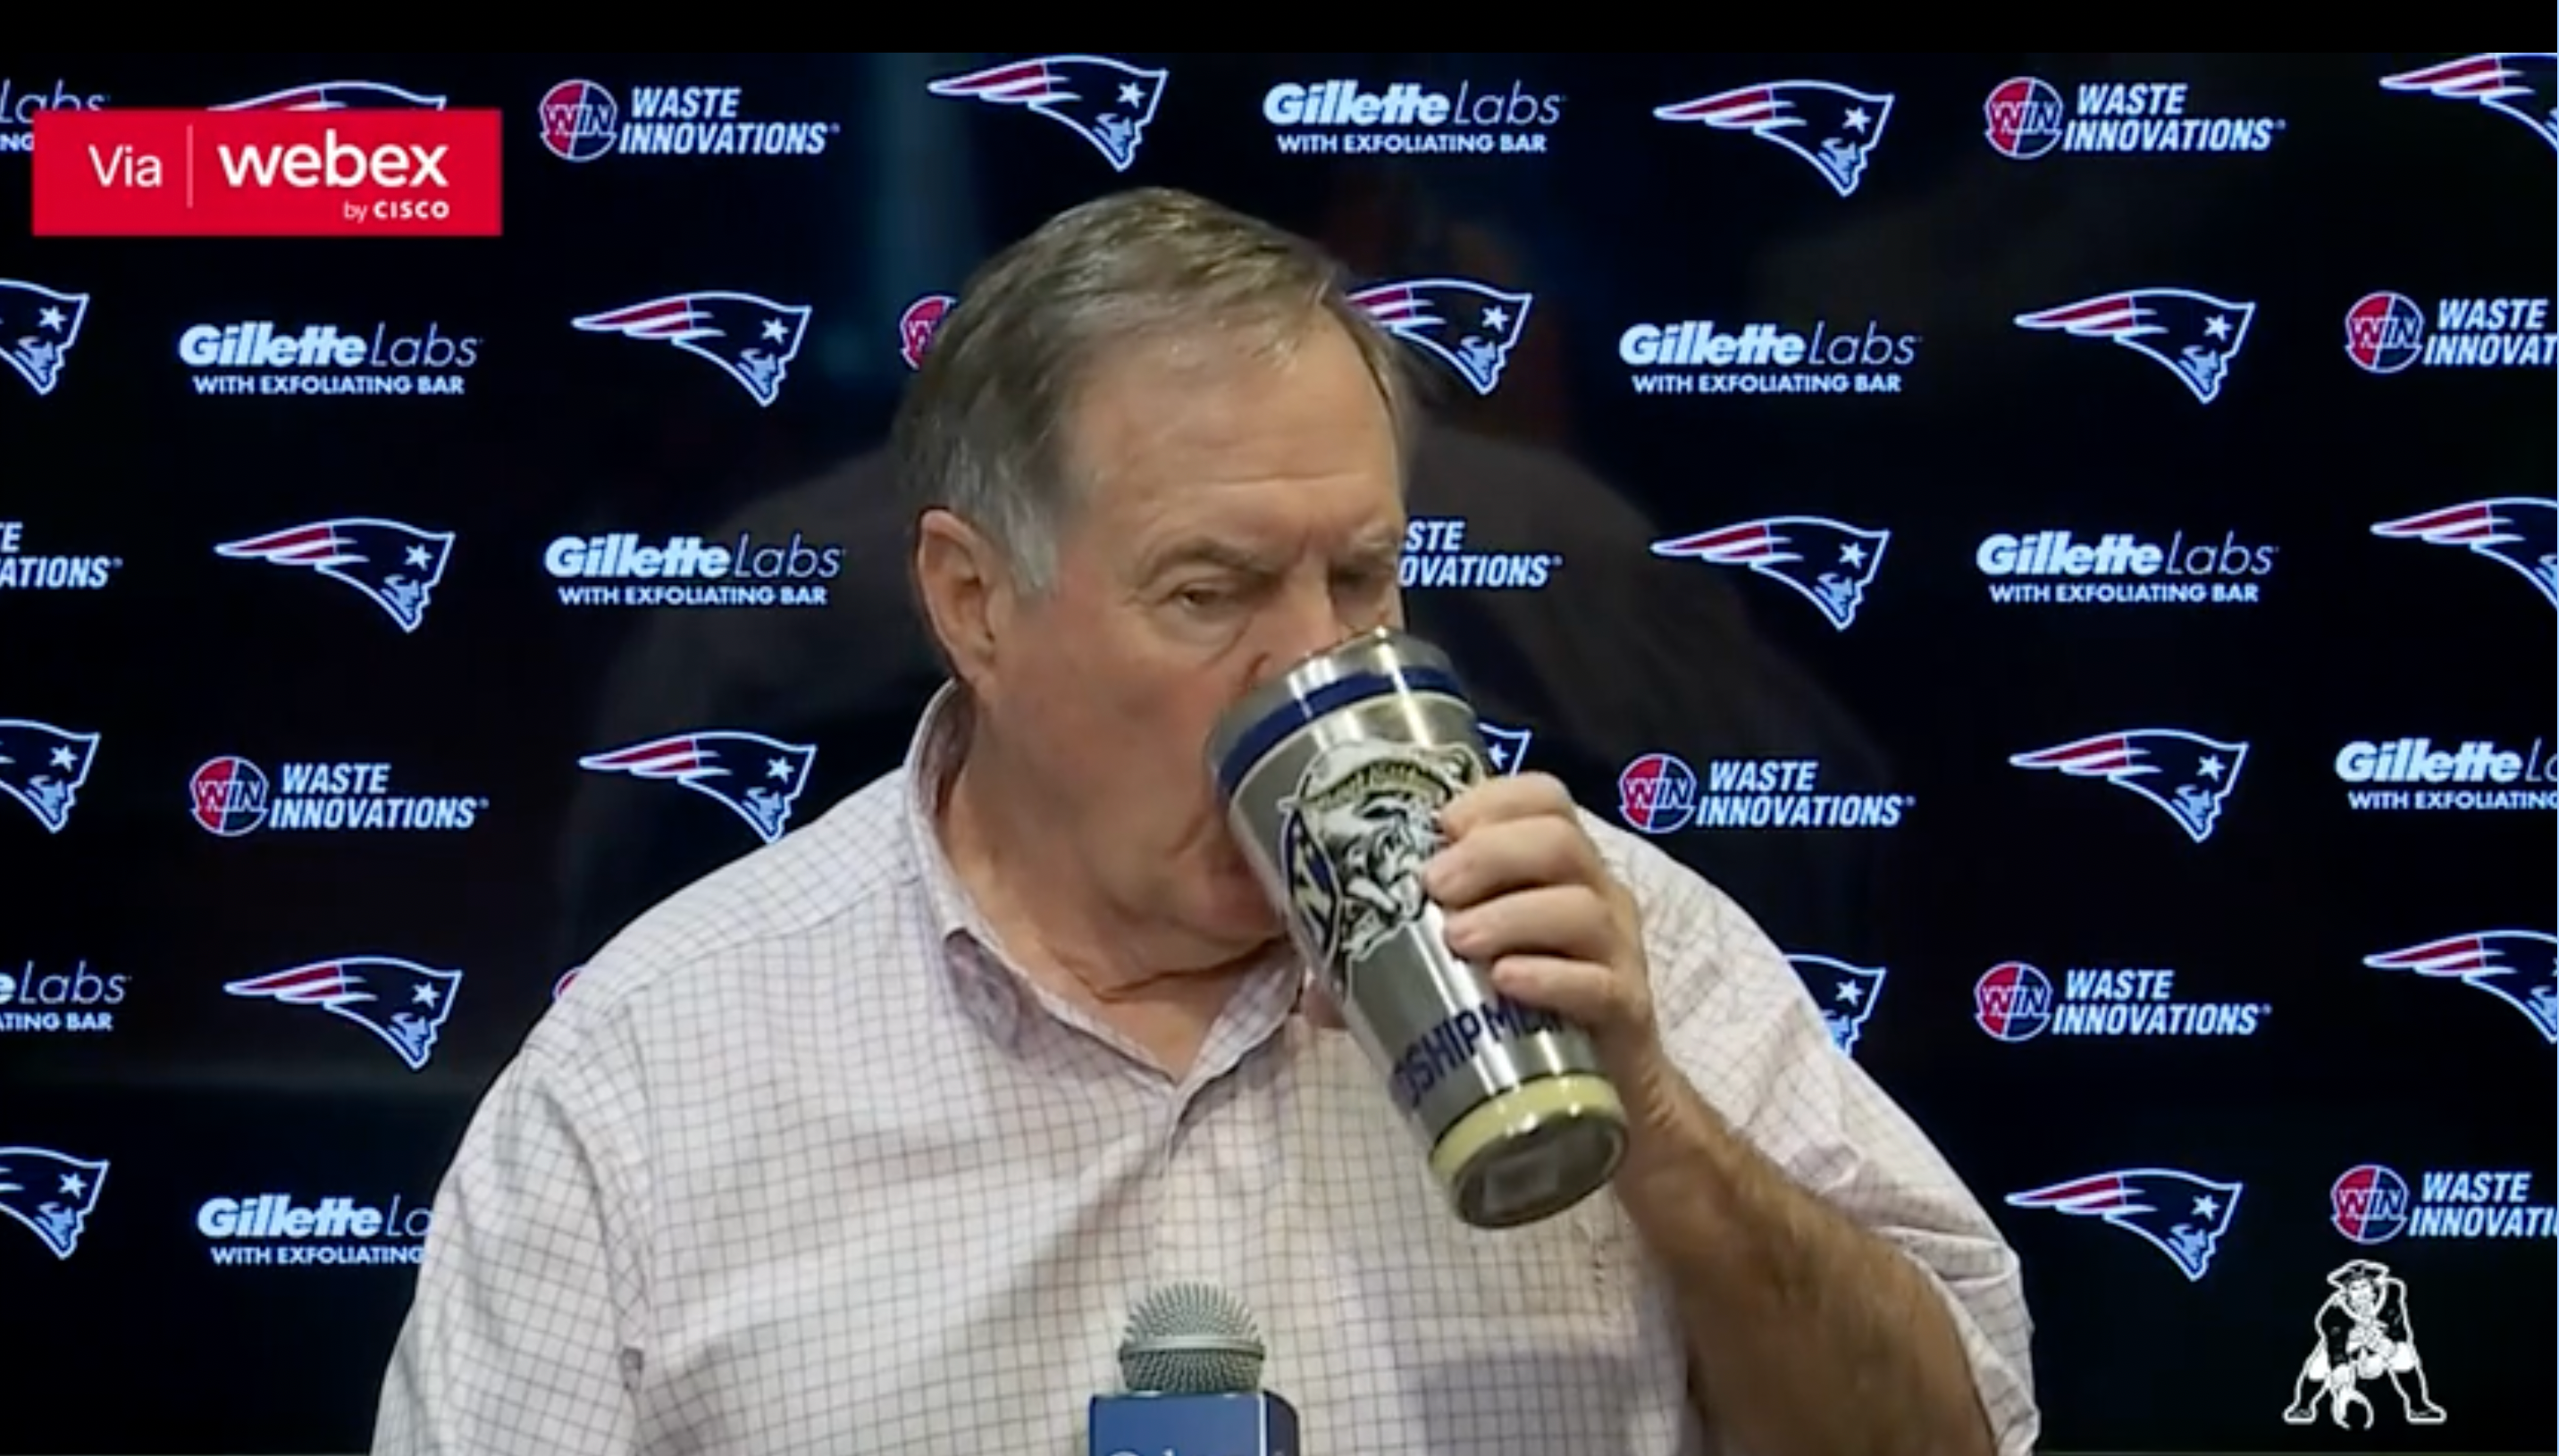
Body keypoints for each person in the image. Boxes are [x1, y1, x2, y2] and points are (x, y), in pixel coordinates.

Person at [373, 187, 2038, 1456]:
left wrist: (1658, 1122)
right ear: (975, 602)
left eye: (1364, 577)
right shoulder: (656, 1071)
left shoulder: (1615, 951)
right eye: (1213, 589)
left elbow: (1956, 1437)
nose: (1319, 664)